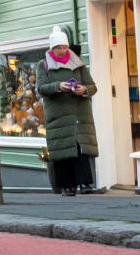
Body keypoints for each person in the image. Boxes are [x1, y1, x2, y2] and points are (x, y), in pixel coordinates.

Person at [35, 27, 98, 196]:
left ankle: (86, 183)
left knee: (80, 148)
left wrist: (84, 89)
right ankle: (67, 186)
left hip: (79, 113)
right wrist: (58, 86)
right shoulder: (44, 65)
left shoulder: (78, 64)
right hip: (58, 114)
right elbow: (40, 88)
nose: (62, 51)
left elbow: (93, 87)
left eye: (64, 47)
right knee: (62, 149)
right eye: (58, 48)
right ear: (52, 48)